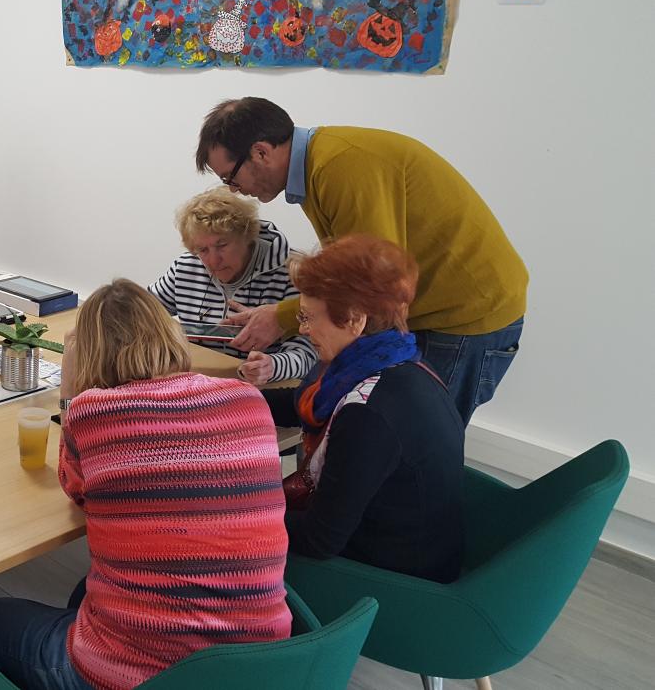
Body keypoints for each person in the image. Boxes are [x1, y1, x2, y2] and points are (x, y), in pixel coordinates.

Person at [0, 279, 290, 690]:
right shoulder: (247, 398)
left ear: (89, 353)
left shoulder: (93, 411)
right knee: (83, 594)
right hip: (261, 666)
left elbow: (75, 487)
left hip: (140, 675)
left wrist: (70, 390)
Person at [195, 97, 528, 424]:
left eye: (230, 178)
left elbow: (371, 285)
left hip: (463, 318)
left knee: (407, 435)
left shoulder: (340, 168)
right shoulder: (319, 165)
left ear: (261, 152)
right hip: (428, 310)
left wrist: (282, 317)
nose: (234, 190)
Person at [265, 235, 464, 583]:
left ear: (354, 320)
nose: (303, 329)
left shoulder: (366, 414)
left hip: (393, 579)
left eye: (309, 317)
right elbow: (301, 403)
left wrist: (236, 513)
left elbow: (318, 540)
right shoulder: (399, 363)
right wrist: (227, 397)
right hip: (414, 543)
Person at [149, 187, 315, 385]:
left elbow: (308, 352)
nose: (213, 261)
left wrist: (272, 366)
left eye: (222, 245)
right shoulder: (185, 267)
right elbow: (139, 312)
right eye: (203, 250)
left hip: (267, 391)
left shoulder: (291, 273)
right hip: (199, 388)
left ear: (247, 236)